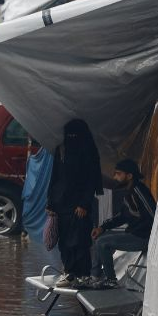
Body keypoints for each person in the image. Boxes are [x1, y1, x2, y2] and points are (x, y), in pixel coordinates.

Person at [48, 119, 103, 287]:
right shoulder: (62, 149)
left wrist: (84, 204)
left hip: (79, 205)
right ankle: (69, 272)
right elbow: (54, 177)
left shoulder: (88, 151)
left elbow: (90, 180)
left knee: (80, 240)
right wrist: (50, 203)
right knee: (64, 240)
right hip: (61, 203)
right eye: (69, 134)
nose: (71, 138)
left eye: (74, 135)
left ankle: (83, 274)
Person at [89, 159, 156, 289]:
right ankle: (95, 276)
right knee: (100, 237)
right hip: (134, 233)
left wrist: (140, 232)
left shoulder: (139, 191)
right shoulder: (129, 192)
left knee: (103, 243)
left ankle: (111, 280)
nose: (115, 177)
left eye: (118, 174)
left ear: (129, 176)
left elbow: (153, 215)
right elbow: (122, 216)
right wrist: (102, 228)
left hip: (143, 238)